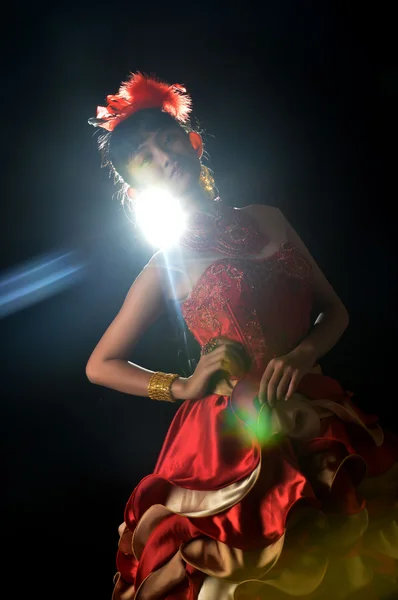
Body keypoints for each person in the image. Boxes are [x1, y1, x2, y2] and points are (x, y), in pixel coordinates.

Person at [87, 72, 398, 600]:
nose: (163, 158)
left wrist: (302, 354)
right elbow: (100, 363)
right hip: (229, 439)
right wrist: (182, 386)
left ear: (192, 143)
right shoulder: (166, 263)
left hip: (316, 414)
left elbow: (335, 311)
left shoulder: (269, 218)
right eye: (144, 158)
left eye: (166, 141)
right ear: (138, 184)